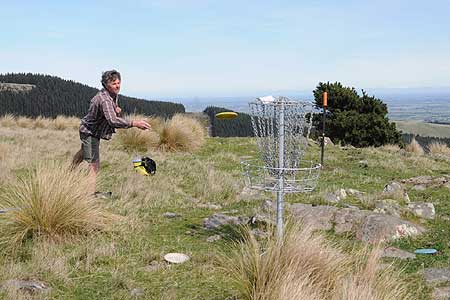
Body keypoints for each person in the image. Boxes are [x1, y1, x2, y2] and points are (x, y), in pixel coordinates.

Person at [72, 70, 150, 195]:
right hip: (90, 132)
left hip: (91, 130)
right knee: (94, 165)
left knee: (84, 151)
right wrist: (134, 123)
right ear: (106, 84)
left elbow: (111, 114)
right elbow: (113, 121)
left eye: (119, 82)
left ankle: (70, 171)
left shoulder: (111, 95)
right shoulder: (105, 100)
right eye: (114, 83)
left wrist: (116, 110)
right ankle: (89, 196)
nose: (118, 86)